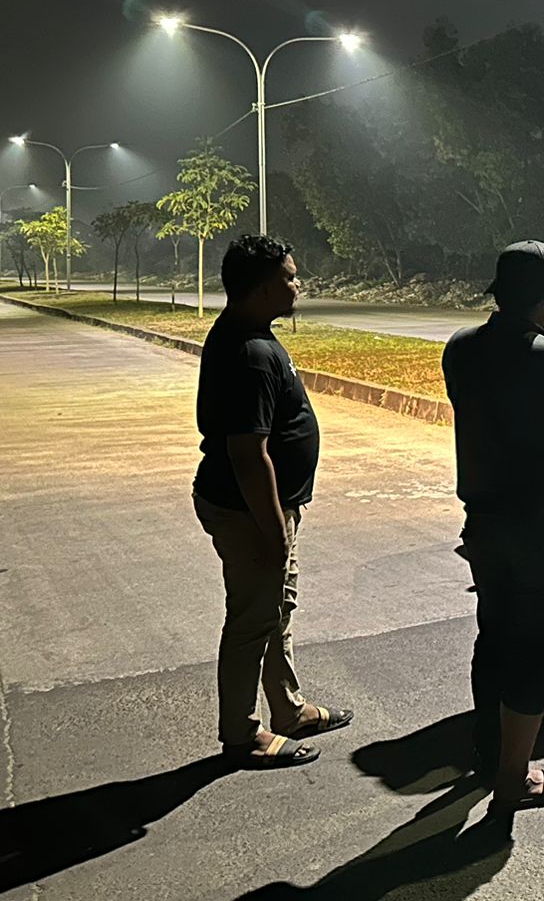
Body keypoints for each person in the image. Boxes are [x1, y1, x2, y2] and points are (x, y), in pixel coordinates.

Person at [442, 240, 544, 816]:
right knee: (536, 649)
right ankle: (515, 777)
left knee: (495, 635)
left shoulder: (460, 348)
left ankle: (489, 752)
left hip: (485, 519)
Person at [192, 234, 352, 769]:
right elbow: (247, 453)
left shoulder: (248, 334)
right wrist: (273, 529)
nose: (297, 285)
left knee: (275, 610)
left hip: (263, 509)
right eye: (289, 277)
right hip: (250, 513)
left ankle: (288, 708)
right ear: (262, 288)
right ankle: (242, 735)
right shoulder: (251, 353)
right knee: (251, 621)